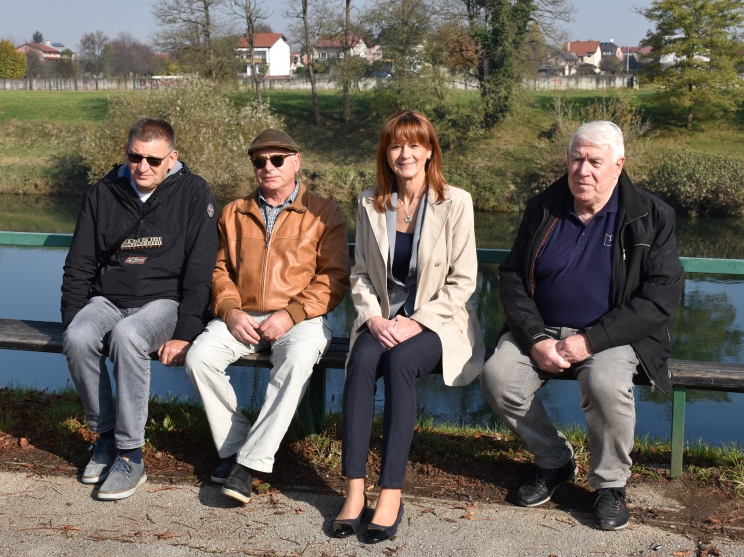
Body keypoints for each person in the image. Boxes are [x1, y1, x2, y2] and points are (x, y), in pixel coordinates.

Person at [481, 120, 683, 530]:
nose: (583, 170)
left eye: (594, 161)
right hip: (542, 330)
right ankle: (554, 459)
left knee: (604, 384)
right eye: (576, 159)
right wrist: (536, 339)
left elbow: (660, 298)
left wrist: (590, 341)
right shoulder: (543, 207)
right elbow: (512, 277)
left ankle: (610, 485)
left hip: (614, 335)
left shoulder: (651, 216)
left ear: (619, 165)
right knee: (497, 378)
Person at [331, 110, 485, 543]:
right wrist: (374, 318)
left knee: (399, 362)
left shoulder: (456, 201)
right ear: (386, 153)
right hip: (382, 318)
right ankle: (354, 491)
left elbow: (463, 281)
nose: (405, 154)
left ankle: (391, 493)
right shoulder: (370, 202)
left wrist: (415, 322)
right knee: (362, 361)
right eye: (396, 145)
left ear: (430, 151)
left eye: (414, 144)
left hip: (438, 322)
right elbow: (360, 274)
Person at [185, 128, 350, 505]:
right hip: (241, 316)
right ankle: (238, 446)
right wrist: (230, 311)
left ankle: (247, 465)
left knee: (297, 358)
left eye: (277, 159)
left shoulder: (325, 213)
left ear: (296, 162)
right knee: (199, 358)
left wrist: (291, 314)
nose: (268, 167)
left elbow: (335, 277)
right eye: (260, 161)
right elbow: (219, 271)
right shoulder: (233, 212)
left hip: (301, 319)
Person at [61, 117, 219, 500]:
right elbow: (79, 263)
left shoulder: (194, 193)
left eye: (153, 159)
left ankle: (130, 454)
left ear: (172, 158)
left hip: (163, 303)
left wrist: (186, 332)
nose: (143, 167)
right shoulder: (103, 192)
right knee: (78, 337)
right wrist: (73, 318)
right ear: (126, 153)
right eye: (135, 157)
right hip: (108, 299)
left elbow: (200, 272)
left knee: (128, 336)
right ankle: (104, 437)